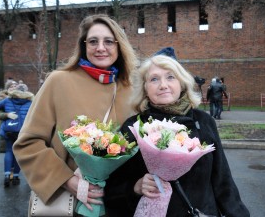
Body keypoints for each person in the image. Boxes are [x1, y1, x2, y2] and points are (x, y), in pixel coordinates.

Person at [12, 14, 138, 212]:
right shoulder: (59, 81)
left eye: (108, 41)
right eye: (93, 41)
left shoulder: (132, 89)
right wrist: (68, 181)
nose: (101, 48)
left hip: (120, 205)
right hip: (69, 204)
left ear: (119, 45)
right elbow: (28, 143)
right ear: (83, 45)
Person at [104, 52, 250, 216]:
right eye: (154, 79)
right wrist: (135, 187)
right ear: (145, 88)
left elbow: (222, 179)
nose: (163, 85)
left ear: (182, 83)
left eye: (170, 77)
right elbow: (113, 187)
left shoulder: (203, 122)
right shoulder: (133, 127)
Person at [0, 83, 34, 187]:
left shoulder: (7, 100)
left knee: (9, 151)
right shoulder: (31, 102)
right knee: (18, 153)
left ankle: (6, 175)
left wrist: (7, 113)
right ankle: (15, 176)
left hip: (9, 130)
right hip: (22, 131)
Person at [0, 80, 19, 153]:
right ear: (7, 88)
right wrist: (7, 115)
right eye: (11, 86)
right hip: (7, 128)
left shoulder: (21, 99)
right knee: (9, 152)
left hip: (18, 128)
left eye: (15, 86)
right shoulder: (2, 100)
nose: (13, 88)